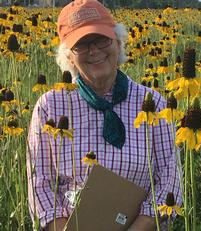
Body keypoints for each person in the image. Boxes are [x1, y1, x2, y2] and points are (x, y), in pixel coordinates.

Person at [27, 0, 182, 230]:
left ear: (118, 43)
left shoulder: (154, 103)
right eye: (81, 44)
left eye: (101, 39)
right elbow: (39, 183)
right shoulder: (51, 105)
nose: (94, 50)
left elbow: (170, 178)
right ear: (69, 56)